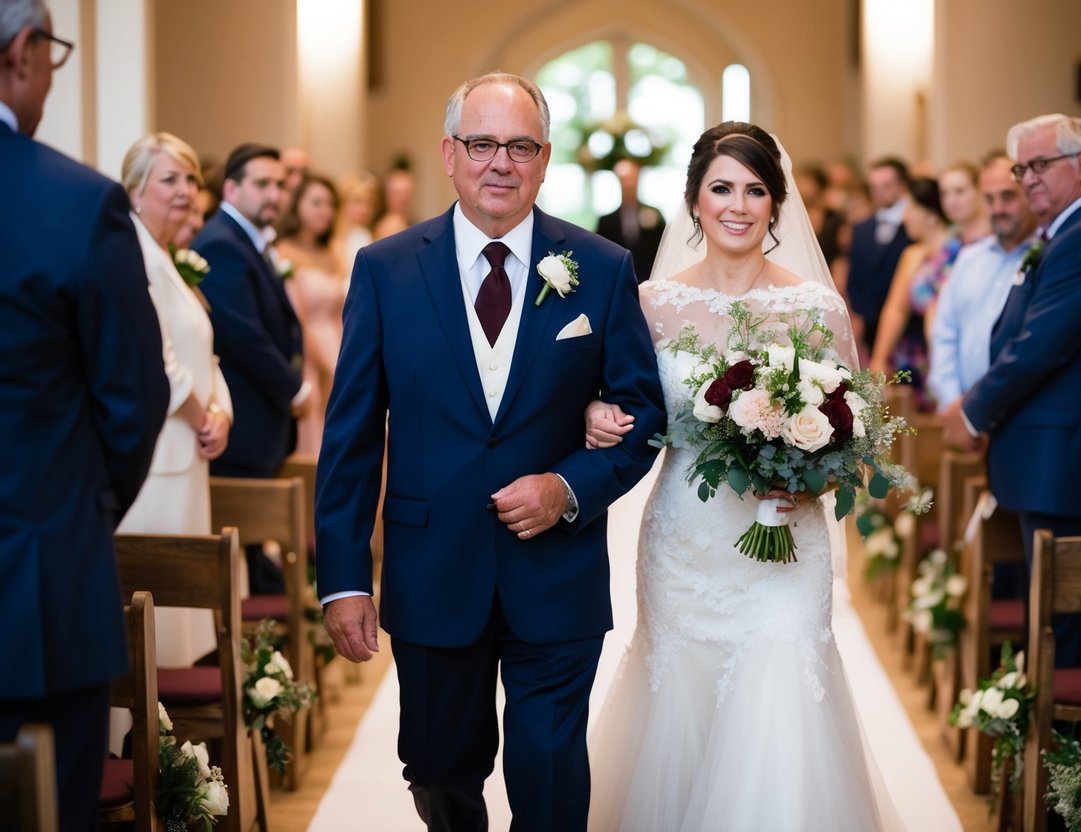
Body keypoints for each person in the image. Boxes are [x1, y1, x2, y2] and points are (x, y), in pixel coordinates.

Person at [314, 71, 665, 831]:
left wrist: (567, 488)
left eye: (520, 145)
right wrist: (342, 578)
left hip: (556, 574)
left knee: (547, 773)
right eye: (481, 143)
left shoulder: (601, 270)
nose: (499, 162)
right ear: (449, 152)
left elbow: (643, 416)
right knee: (440, 767)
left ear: (544, 160)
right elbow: (349, 438)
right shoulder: (385, 268)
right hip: (432, 568)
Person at [583, 122, 903, 831]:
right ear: (694, 201)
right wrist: (597, 415)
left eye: (755, 190)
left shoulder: (815, 307)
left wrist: (808, 475)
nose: (738, 204)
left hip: (785, 545)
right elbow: (627, 405)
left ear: (776, 203)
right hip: (685, 541)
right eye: (721, 187)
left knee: (781, 691)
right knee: (681, 698)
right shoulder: (651, 304)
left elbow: (853, 434)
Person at [0, 3, 169, 829]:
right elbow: (132, 400)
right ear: (24, 51)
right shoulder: (76, 204)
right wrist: (80, 513)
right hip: (36, 593)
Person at [940, 114, 1081, 667]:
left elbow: (1039, 345)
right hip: (1046, 458)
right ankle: (1049, 742)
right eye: (1020, 167)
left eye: (1039, 164)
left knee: (1060, 631)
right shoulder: (1068, 234)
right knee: (1048, 619)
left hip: (1065, 459)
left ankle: (1061, 750)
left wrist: (975, 411)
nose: (1027, 178)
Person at [118, 132, 234, 666]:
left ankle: (173, 743)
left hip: (190, 455)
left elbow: (206, 358)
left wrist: (222, 413)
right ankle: (147, 740)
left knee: (183, 617)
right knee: (156, 616)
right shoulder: (132, 256)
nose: (186, 190)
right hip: (158, 462)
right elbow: (156, 359)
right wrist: (200, 415)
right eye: (170, 179)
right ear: (135, 190)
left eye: (191, 178)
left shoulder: (171, 260)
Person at [195, 143, 308, 479]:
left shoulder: (247, 240)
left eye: (280, 185)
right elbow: (244, 334)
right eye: (262, 185)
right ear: (231, 188)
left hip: (260, 422)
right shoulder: (222, 243)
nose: (274, 195)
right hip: (244, 424)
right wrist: (293, 389)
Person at [929, 154, 1038, 410]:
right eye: (989, 199)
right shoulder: (968, 258)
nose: (998, 208)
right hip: (963, 410)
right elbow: (945, 333)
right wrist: (952, 403)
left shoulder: (1046, 255)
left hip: (1024, 411)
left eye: (1008, 196)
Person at [868, 177, 961, 406]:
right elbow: (896, 308)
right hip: (914, 355)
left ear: (930, 213)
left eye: (910, 208)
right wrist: (879, 359)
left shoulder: (961, 250)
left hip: (951, 353)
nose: (904, 217)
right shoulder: (912, 255)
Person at [276, 173, 346, 456]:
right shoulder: (283, 252)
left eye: (330, 204)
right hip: (309, 352)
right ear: (297, 206)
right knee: (317, 436)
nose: (325, 211)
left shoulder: (333, 252)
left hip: (339, 342)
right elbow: (298, 319)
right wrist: (328, 366)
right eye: (316, 203)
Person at [846, 156, 911, 353]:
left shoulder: (914, 226)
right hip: (870, 327)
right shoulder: (861, 228)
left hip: (908, 329)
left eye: (887, 186)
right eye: (874, 187)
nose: (879, 193)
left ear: (902, 185)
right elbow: (854, 277)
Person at [595, 157, 666, 282]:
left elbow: (664, 248)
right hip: (618, 280)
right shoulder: (606, 221)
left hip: (652, 279)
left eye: (632, 178)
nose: (629, 184)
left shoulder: (654, 214)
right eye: (624, 179)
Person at [332, 168, 380, 276]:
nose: (364, 209)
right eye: (357, 201)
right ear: (342, 201)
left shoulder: (362, 236)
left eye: (369, 203)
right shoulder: (327, 235)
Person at [374, 161, 415, 239]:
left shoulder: (410, 221)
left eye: (407, 193)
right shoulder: (389, 226)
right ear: (388, 195)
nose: (403, 198)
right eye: (398, 193)